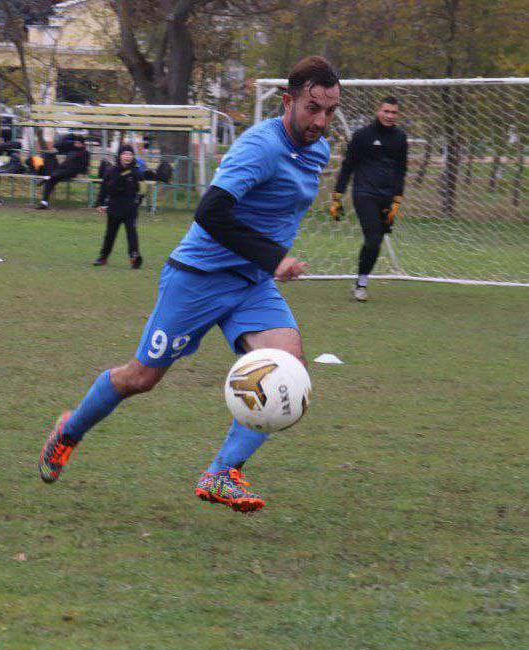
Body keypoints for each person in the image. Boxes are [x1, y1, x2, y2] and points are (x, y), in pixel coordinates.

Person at [38, 56, 341, 513]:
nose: (321, 120)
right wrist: (274, 256)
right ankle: (69, 430)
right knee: (141, 378)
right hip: (198, 278)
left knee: (288, 365)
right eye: (313, 108)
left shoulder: (318, 150)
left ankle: (222, 473)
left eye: (330, 111)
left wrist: (266, 261)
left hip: (251, 284)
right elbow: (211, 212)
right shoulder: (260, 147)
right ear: (288, 101)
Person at [329, 96, 408, 302]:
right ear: (378, 111)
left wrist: (397, 200)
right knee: (373, 238)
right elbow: (348, 167)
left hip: (387, 197)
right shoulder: (362, 135)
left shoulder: (400, 138)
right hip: (364, 194)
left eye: (394, 112)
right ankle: (361, 286)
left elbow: (401, 171)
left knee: (376, 242)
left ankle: (361, 281)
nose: (390, 116)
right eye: (386, 111)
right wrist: (337, 196)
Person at [93, 144, 172, 268]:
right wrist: (99, 203)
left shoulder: (136, 172)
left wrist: (137, 202)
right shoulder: (111, 171)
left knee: (132, 234)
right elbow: (104, 189)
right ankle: (103, 257)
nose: (127, 157)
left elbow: (143, 189)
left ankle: (134, 257)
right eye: (124, 154)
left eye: (130, 154)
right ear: (119, 156)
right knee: (110, 234)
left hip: (130, 210)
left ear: (133, 156)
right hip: (114, 208)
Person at [36, 134, 90, 209]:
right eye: (75, 142)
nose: (76, 144)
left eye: (78, 143)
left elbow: (84, 166)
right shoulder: (72, 148)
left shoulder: (85, 153)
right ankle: (44, 203)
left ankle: (46, 178)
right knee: (48, 158)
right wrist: (71, 136)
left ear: (82, 144)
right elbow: (58, 145)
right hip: (61, 170)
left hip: (71, 171)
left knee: (54, 176)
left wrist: (82, 172)